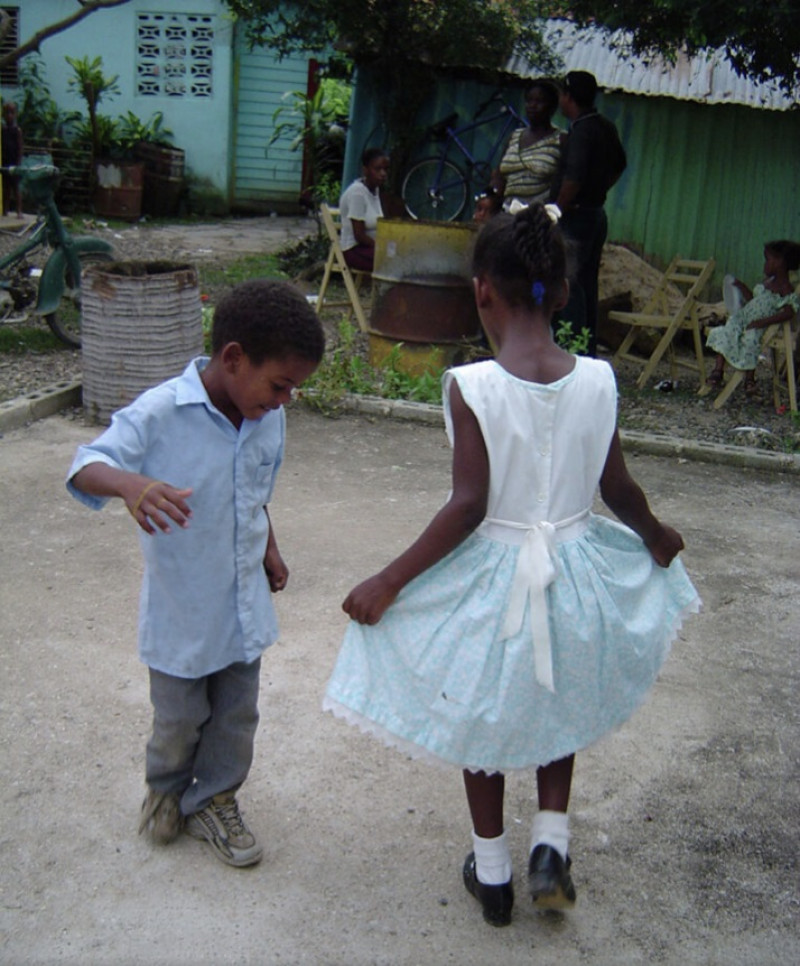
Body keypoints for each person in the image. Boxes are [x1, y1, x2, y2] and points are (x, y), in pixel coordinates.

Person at [323, 203, 699, 927]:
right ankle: (550, 855)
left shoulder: (473, 385)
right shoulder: (598, 379)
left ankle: (492, 874)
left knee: (486, 716)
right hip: (576, 571)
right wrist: (655, 535)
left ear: (481, 291)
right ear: (561, 292)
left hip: (497, 577)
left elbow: (469, 506)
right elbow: (616, 488)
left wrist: (389, 580)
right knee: (558, 711)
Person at [66, 280, 324, 868]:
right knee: (180, 717)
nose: (285, 399)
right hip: (183, 609)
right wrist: (130, 484)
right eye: (280, 384)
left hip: (243, 603)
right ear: (233, 358)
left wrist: (270, 549)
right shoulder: (160, 413)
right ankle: (166, 787)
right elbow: (86, 466)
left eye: (294, 389)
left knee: (236, 716)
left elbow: (254, 493)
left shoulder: (267, 417)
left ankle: (215, 799)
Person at [552, 71, 627, 357]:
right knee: (586, 282)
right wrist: (600, 190)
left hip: (576, 216)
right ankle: (586, 348)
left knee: (568, 281)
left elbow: (573, 177)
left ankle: (572, 346)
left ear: (568, 97)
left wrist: (557, 209)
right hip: (596, 213)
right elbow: (620, 164)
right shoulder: (604, 126)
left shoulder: (582, 131)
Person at [706, 240, 800, 397]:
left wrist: (761, 322)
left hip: (759, 325)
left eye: (767, 260)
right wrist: (741, 287)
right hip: (744, 318)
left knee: (751, 341)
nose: (765, 264)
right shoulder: (767, 283)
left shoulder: (785, 288)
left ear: (780, 262)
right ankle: (718, 370)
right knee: (726, 331)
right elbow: (753, 301)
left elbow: (789, 313)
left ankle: (749, 378)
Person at [492, 78, 563, 209]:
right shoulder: (514, 136)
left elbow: (567, 180)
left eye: (539, 101)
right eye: (529, 101)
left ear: (552, 107)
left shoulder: (560, 140)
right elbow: (499, 175)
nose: (532, 106)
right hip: (508, 213)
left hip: (540, 216)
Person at [338, 146, 390, 272]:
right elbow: (359, 235)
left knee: (400, 255)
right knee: (393, 261)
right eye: (378, 169)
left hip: (370, 249)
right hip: (354, 250)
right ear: (365, 170)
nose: (383, 174)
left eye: (385, 169)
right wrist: (381, 247)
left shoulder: (375, 190)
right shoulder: (358, 193)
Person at [1, 100, 24, 217]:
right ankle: (5, 209)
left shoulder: (17, 130)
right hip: (5, 161)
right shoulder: (3, 130)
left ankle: (19, 211)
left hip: (14, 162)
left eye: (11, 112)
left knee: (16, 188)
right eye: (6, 112)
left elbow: (20, 148)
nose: (9, 115)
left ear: (15, 114)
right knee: (6, 188)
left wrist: (18, 163)